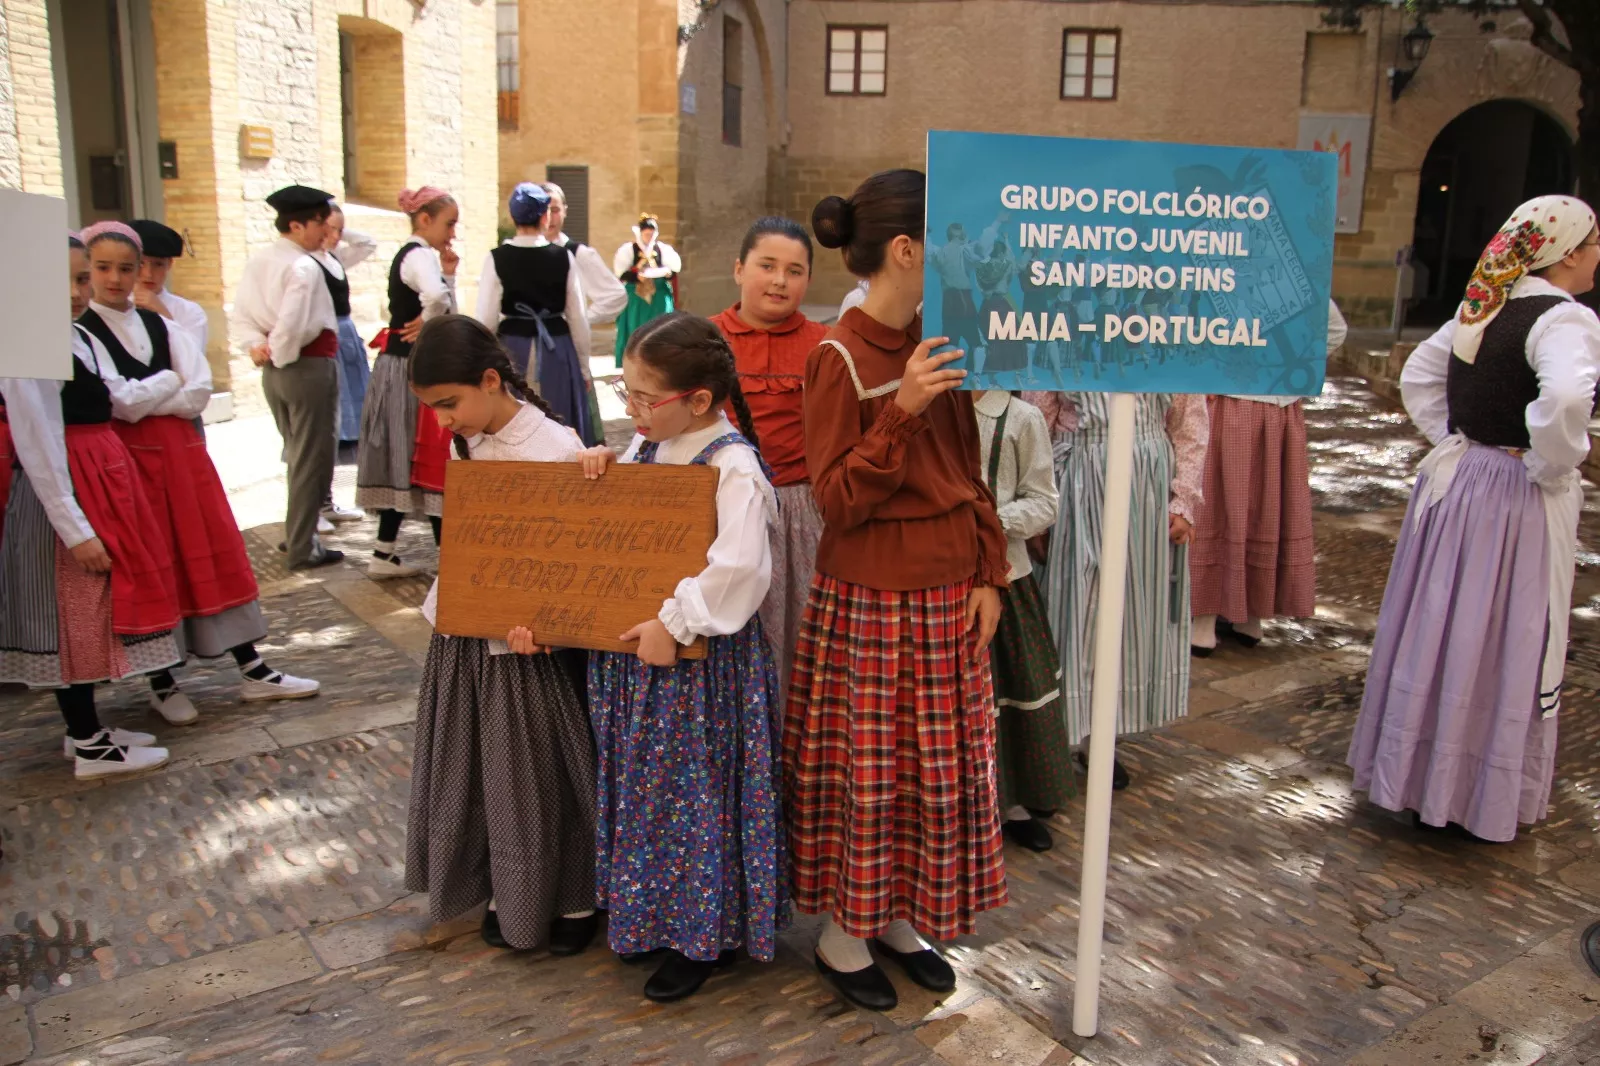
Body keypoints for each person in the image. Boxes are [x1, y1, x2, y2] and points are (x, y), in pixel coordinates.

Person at [787, 170, 1009, 1013]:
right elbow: (837, 501)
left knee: (937, 776)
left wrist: (990, 570)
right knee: (869, 777)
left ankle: (899, 916)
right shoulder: (836, 356)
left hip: (950, 590)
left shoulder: (937, 336)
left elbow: (967, 471)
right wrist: (904, 407)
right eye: (949, 241)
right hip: (874, 599)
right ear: (908, 249)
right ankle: (846, 931)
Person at [1349, 195, 1600, 843]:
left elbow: (1420, 377)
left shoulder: (1485, 305)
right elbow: (1569, 397)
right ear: (1569, 251)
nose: (1599, 255)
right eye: (1595, 243)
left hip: (1460, 485)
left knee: (1442, 625)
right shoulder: (1564, 320)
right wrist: (1551, 463)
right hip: (1514, 494)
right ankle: (1468, 795)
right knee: (1500, 632)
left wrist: (1459, 439)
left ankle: (1418, 777)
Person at [580, 312, 786, 1004]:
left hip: (698, 669)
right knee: (649, 791)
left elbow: (739, 570)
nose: (630, 408)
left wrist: (678, 621)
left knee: (694, 796)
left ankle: (704, 933)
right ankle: (653, 914)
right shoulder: (651, 446)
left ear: (698, 401)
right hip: (641, 662)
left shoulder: (733, 467)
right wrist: (602, 473)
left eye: (643, 397)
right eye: (626, 393)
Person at [404, 314, 600, 956]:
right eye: (434, 408)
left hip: (532, 649)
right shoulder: (471, 439)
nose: (442, 421)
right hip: (469, 638)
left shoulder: (556, 445)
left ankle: (572, 897)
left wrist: (553, 626)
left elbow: (581, 561)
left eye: (448, 404)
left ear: (491, 381)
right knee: (484, 774)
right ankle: (503, 889)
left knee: (544, 778)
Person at [77, 222, 319, 723]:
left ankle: (252, 666)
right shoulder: (84, 333)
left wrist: (154, 393)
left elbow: (199, 390)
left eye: (129, 267)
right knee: (154, 562)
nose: (118, 278)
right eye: (104, 268)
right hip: (129, 465)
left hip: (184, 457)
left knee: (211, 553)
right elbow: (116, 402)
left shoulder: (161, 325)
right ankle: (160, 678)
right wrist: (167, 382)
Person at [0, 233, 182, 777]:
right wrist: (74, 525)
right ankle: (85, 741)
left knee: (91, 608)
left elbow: (116, 394)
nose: (79, 291)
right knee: (73, 609)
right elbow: (38, 443)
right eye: (70, 280)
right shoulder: (27, 346)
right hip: (65, 487)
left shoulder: (72, 336)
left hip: (93, 476)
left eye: (81, 279)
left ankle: (88, 728)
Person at [1021, 390, 1207, 791]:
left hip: (1147, 480)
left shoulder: (1167, 327)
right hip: (1079, 476)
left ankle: (1101, 738)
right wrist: (1037, 509)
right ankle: (1057, 740)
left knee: (1129, 609)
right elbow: (1038, 418)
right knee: (1076, 607)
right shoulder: (1063, 327)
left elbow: (1190, 421)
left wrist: (1183, 499)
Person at [708, 217, 829, 697]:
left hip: (802, 514)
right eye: (767, 266)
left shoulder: (827, 345)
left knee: (799, 641)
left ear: (808, 281)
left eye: (794, 270)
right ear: (739, 269)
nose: (780, 280)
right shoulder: (704, 339)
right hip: (719, 509)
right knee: (731, 637)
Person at [1191, 299, 1348, 655]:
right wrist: (1285, 366)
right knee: (1259, 504)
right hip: (1274, 406)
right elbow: (1334, 329)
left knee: (1225, 505)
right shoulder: (1293, 268)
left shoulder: (1227, 262)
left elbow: (1334, 328)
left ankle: (1215, 617)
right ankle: (1243, 616)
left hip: (1235, 401)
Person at [973, 389, 1073, 851]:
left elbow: (1044, 502)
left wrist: (991, 518)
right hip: (939, 580)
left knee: (1010, 693)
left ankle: (1011, 803)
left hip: (1008, 581)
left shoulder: (1021, 417)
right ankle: (961, 806)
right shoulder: (925, 405)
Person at [234, 185, 343, 571]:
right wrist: (277, 351)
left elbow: (243, 313)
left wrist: (257, 346)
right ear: (296, 225)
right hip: (305, 367)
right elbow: (293, 324)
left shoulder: (261, 260)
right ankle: (302, 544)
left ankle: (299, 535)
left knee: (298, 455)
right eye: (317, 222)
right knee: (311, 458)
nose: (323, 231)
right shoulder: (302, 266)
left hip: (279, 367)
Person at [356, 187, 458, 579]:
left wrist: (448, 276)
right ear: (425, 220)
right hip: (409, 370)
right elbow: (436, 298)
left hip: (398, 365)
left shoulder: (417, 255)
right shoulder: (417, 255)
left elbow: (441, 299)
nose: (451, 233)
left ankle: (384, 552)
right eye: (448, 223)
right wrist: (430, 320)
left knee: (408, 457)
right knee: (425, 456)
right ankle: (447, 561)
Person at [474, 184, 600, 444]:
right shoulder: (564, 257)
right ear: (545, 216)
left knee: (513, 418)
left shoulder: (496, 258)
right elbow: (578, 319)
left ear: (512, 217)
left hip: (512, 348)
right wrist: (584, 369)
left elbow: (485, 320)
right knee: (559, 415)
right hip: (558, 349)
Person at [539, 181, 629, 440]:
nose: (549, 216)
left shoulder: (578, 254)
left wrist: (578, 320)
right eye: (543, 209)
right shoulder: (519, 253)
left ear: (565, 211)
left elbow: (615, 295)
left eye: (555, 209)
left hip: (566, 348)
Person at [315, 204, 378, 449]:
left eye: (340, 231)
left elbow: (368, 244)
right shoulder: (308, 260)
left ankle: (355, 432)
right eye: (330, 229)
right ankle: (340, 434)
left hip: (345, 329)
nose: (336, 237)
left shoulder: (336, 256)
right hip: (326, 330)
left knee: (354, 382)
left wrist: (341, 229)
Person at [127, 219, 208, 353]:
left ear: (169, 264)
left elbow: (194, 362)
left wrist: (163, 314)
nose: (148, 274)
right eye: (141, 263)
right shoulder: (113, 307)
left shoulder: (189, 312)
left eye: (158, 264)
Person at [612, 214, 680, 365]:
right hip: (636, 297)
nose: (649, 237)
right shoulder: (630, 249)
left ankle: (661, 359)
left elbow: (673, 269)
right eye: (646, 233)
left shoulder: (662, 249)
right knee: (637, 327)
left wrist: (668, 273)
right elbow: (621, 272)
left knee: (661, 326)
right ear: (640, 233)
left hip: (659, 296)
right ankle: (635, 361)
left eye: (651, 234)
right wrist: (636, 277)